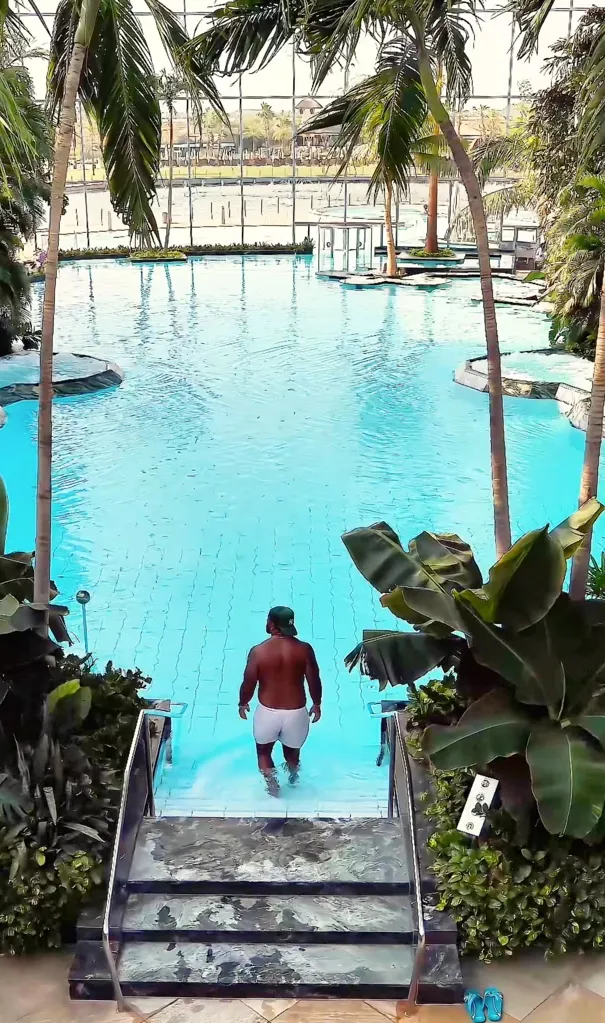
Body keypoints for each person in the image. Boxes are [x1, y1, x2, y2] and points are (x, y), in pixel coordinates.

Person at [238, 606, 322, 787]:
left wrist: (243, 702)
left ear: (273, 624)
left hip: (268, 713)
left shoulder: (259, 651)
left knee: (263, 753)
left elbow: (249, 682)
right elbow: (314, 679)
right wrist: (317, 704)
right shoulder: (304, 649)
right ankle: (293, 780)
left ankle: (272, 784)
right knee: (292, 754)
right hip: (297, 714)